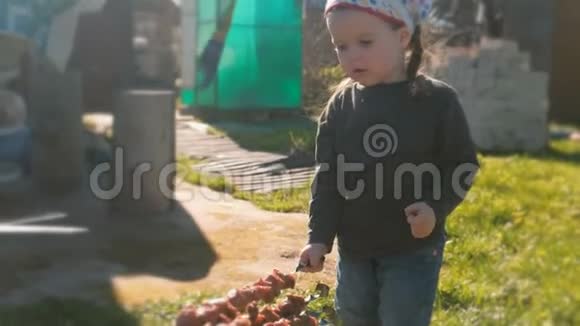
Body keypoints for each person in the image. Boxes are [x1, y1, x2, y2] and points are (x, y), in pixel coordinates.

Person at [297, 0, 480, 325]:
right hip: (354, 250)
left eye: (365, 42)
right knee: (353, 316)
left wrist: (434, 208)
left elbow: (461, 165)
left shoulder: (437, 102)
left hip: (412, 249)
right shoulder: (340, 107)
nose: (352, 54)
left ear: (402, 37)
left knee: (401, 318)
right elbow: (327, 179)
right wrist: (318, 237)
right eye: (341, 46)